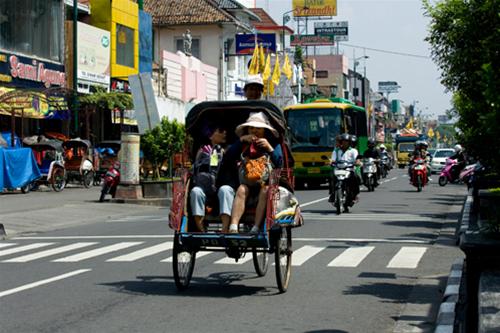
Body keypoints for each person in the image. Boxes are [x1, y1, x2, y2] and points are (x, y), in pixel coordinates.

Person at [223, 112, 283, 234]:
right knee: (241, 189)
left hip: (264, 187)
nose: (254, 131)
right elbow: (227, 157)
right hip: (245, 184)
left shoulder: (273, 144)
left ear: (264, 130)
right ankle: (233, 227)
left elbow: (280, 163)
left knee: (265, 190)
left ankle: (255, 227)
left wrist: (269, 148)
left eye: (258, 128)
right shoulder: (242, 143)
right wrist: (241, 141)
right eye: (251, 128)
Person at [190, 124, 227, 232]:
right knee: (195, 192)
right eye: (220, 130)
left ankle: (225, 229)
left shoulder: (228, 149)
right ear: (210, 136)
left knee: (225, 191)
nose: (224, 133)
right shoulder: (202, 150)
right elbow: (195, 168)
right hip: (204, 186)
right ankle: (200, 228)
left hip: (221, 185)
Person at [329, 133, 360, 206]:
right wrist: (331, 162)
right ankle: (332, 194)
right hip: (338, 169)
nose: (345, 143)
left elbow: (357, 159)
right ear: (341, 142)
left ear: (349, 142)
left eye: (346, 141)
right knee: (332, 178)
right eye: (343, 141)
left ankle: (354, 195)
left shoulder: (353, 151)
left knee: (356, 178)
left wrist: (357, 162)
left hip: (349, 169)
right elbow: (332, 160)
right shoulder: (336, 151)